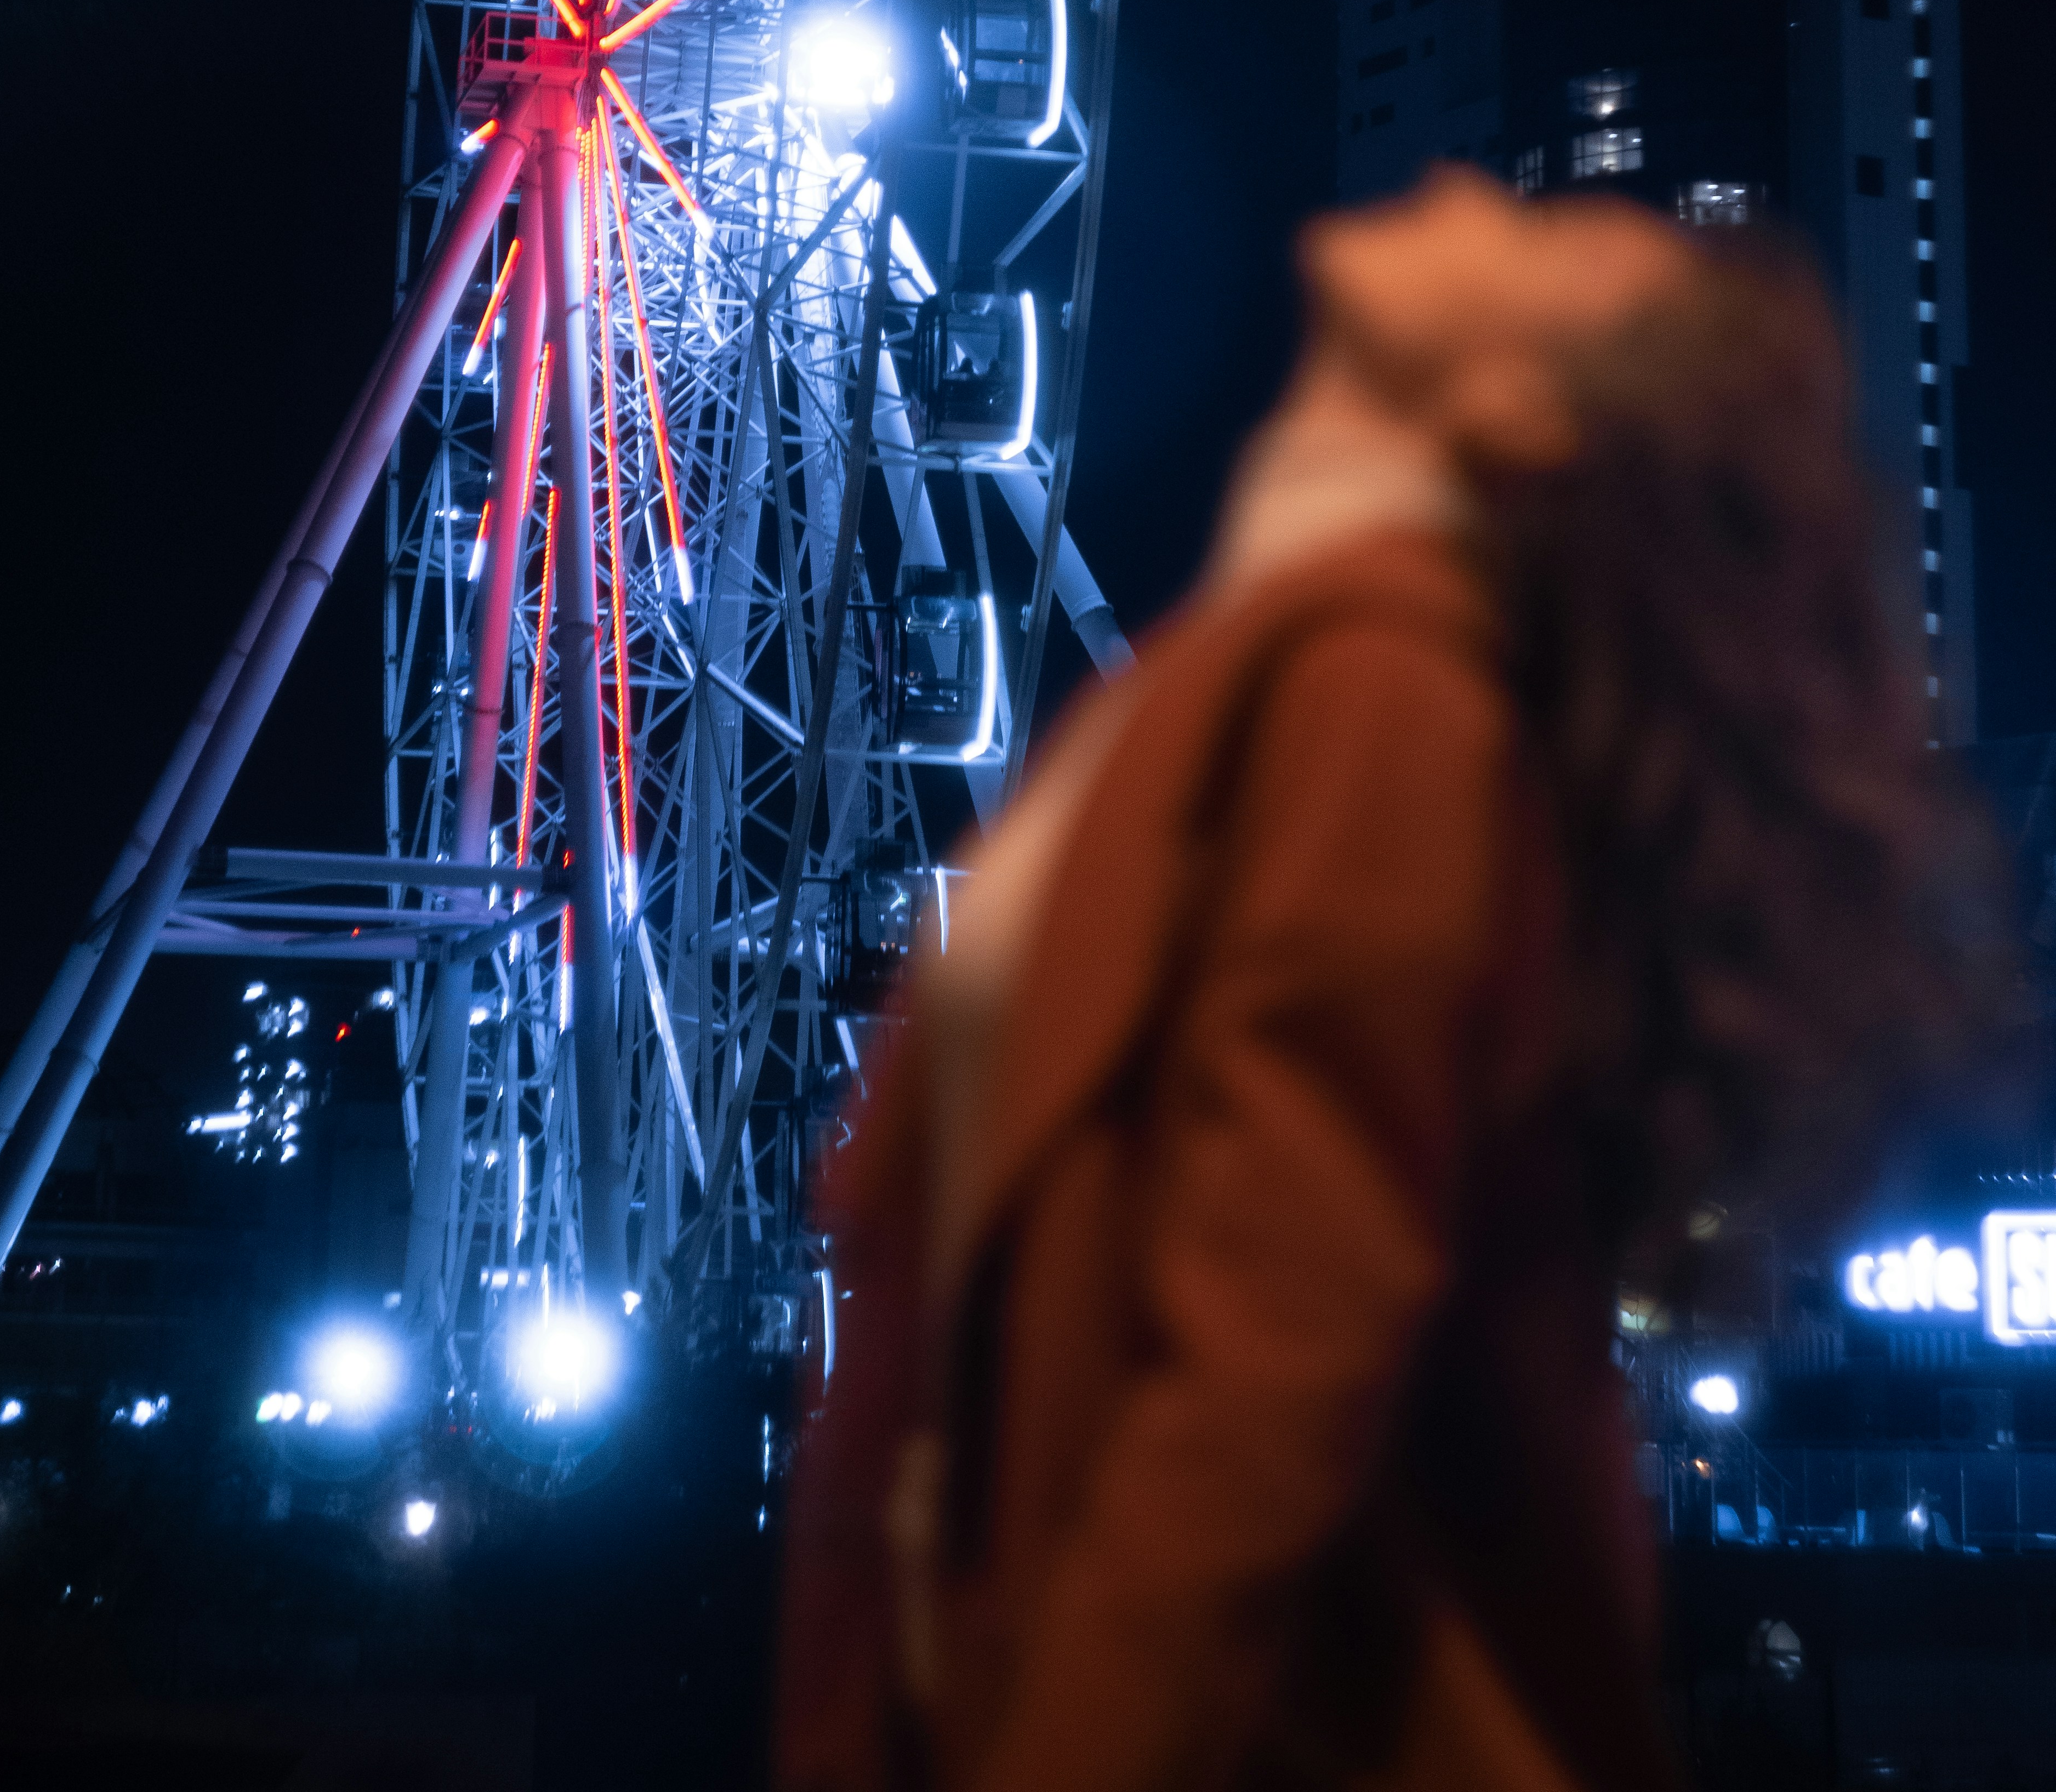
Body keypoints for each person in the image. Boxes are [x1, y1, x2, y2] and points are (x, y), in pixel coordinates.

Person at [775, 169, 1998, 1792]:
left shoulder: (1389, 696)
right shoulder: (1254, 662)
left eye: (1543, 250)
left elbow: (1268, 1368)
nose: (1476, 200)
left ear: (1520, 409)